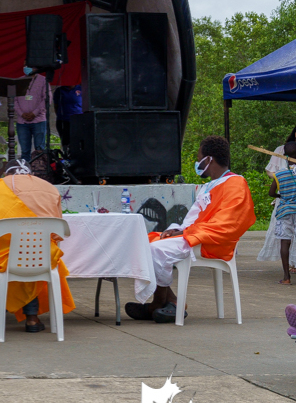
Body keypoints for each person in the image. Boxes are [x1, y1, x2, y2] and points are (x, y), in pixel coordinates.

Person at [126, 136, 256, 324]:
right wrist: (178, 229)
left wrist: (187, 233)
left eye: (199, 158)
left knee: (155, 250)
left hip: (212, 242)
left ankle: (159, 303)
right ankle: (169, 300)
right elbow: (193, 218)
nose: (197, 162)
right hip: (195, 235)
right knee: (144, 244)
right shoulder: (208, 186)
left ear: (209, 160)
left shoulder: (236, 183)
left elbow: (228, 224)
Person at [0, 159, 75, 333]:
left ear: (6, 175)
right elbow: (58, 231)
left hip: (2, 257)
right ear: (30, 174)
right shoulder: (49, 188)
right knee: (31, 257)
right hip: (40, 256)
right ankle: (32, 318)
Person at [258, 127, 296, 268]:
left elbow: (271, 192)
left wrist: (281, 188)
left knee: (285, 239)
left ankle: (287, 274)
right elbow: (270, 170)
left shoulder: (281, 174)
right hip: (285, 201)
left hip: (285, 204)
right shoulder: (280, 150)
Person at [268, 141, 296, 284]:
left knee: (285, 243)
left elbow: (271, 193)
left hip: (285, 211)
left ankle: (286, 278)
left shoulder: (279, 174)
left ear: (285, 156)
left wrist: (282, 197)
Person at [16, 66, 49, 162]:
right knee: (25, 151)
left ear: (35, 66)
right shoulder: (19, 81)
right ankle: (26, 172)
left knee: (40, 150)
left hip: (38, 120)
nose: (26, 67)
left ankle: (40, 172)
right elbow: (14, 100)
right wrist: (21, 113)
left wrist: (34, 113)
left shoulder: (43, 80)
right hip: (22, 122)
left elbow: (46, 99)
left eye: (28, 65)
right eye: (24, 65)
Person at [53, 84, 82, 150]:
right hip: (63, 121)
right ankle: (67, 157)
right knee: (65, 142)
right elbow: (56, 106)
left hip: (78, 120)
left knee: (78, 141)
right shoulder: (59, 90)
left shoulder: (81, 89)